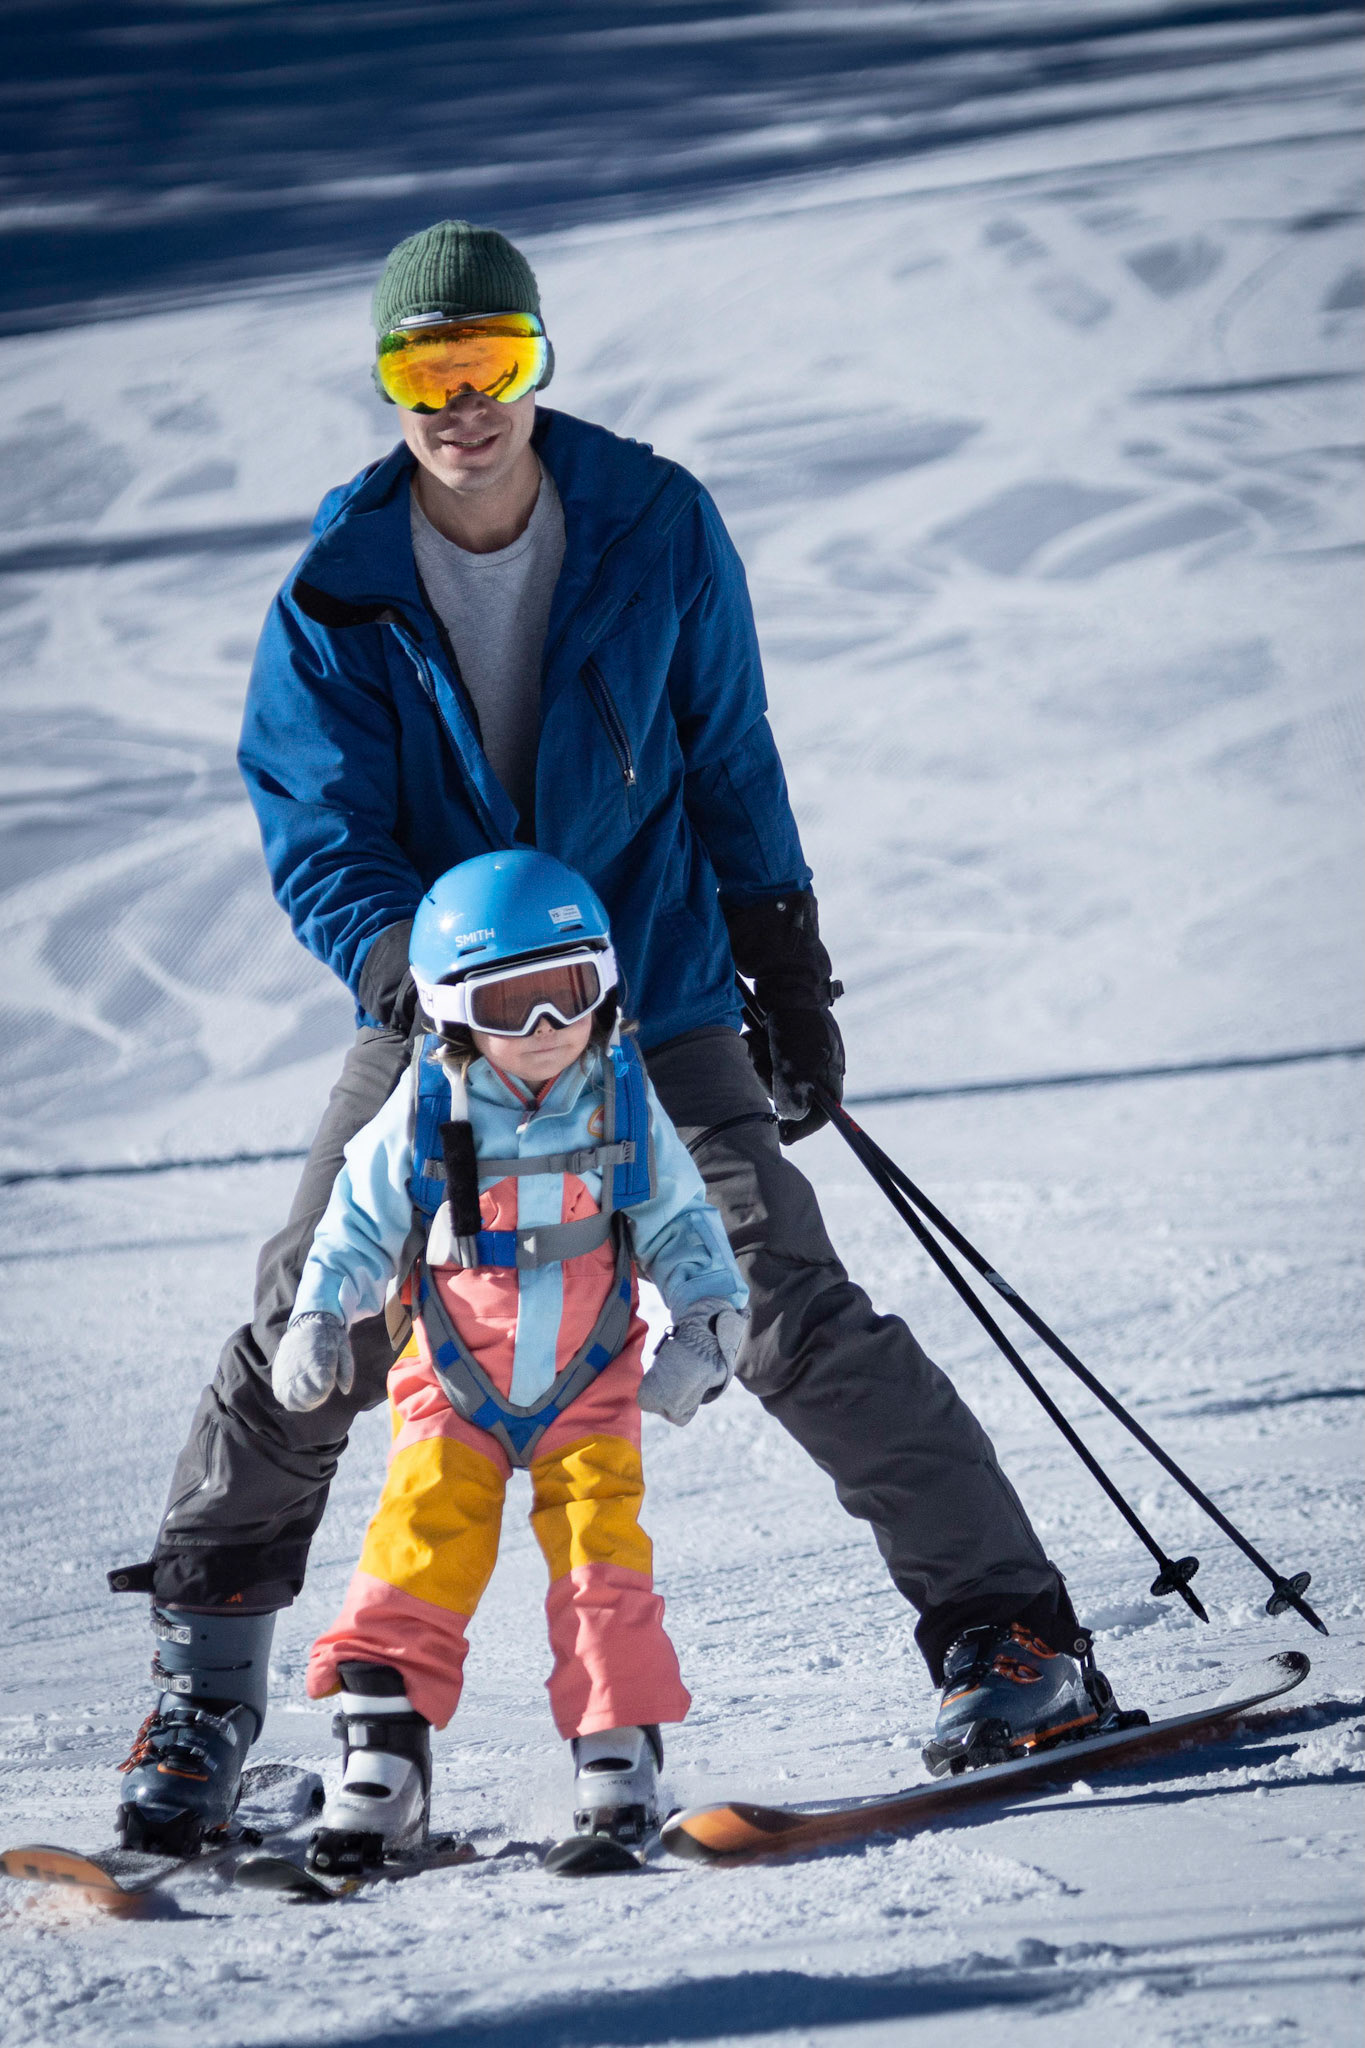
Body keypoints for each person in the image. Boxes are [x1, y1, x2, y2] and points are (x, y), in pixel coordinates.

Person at [113, 218, 1101, 1856]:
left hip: (651, 995)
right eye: (425, 369)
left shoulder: (650, 524)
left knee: (775, 1299)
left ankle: (1012, 1639)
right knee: (321, 1299)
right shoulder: (339, 590)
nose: (463, 402)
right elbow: (323, 831)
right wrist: (407, 981)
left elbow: (731, 750)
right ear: (386, 388)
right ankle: (206, 1694)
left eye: (491, 360)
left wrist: (782, 955)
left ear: (537, 363)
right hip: (442, 1019)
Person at [268, 850, 741, 1870]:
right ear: (452, 1012)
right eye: (510, 1005)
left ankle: (618, 1749)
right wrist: (318, 1312)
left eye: (566, 995)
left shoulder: (620, 1099)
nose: (544, 1031)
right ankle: (383, 1759)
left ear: (603, 986)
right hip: (455, 1379)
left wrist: (705, 1322)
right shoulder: (428, 1107)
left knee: (600, 1553)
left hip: (588, 1381)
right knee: (418, 1537)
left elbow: (684, 1221)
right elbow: (357, 1219)